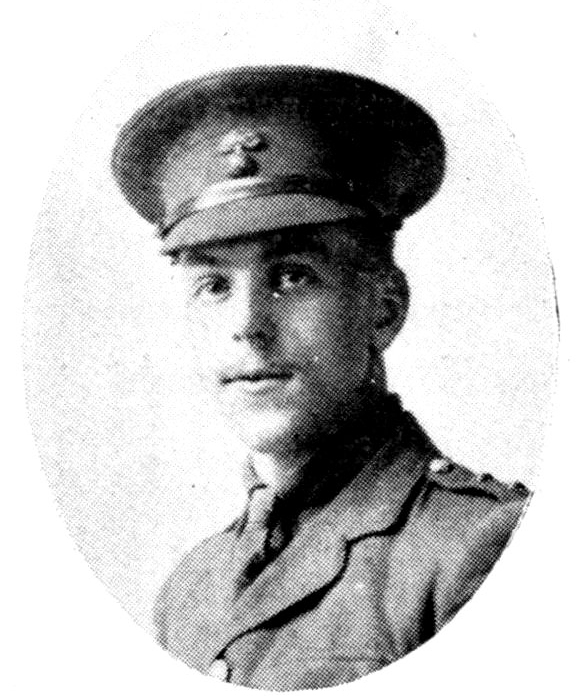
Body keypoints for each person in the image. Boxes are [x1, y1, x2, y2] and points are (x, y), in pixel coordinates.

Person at [111, 65, 530, 690]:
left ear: (383, 309)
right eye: (214, 285)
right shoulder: (190, 592)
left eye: (292, 276)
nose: (247, 326)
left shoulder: (481, 549)